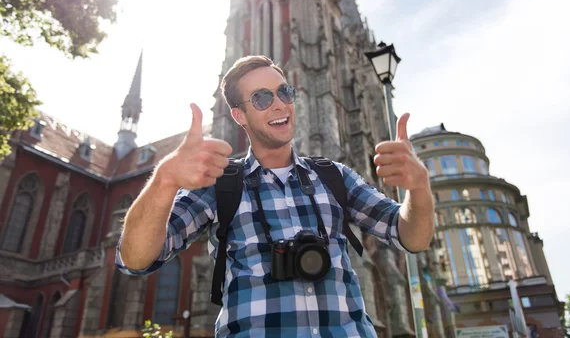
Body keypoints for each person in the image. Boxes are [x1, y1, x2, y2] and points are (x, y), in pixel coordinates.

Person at [116, 55, 435, 337]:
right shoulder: (219, 185)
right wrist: (165, 180)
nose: (279, 103)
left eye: (285, 92)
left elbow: (411, 237)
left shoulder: (334, 176)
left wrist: (418, 188)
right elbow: (135, 259)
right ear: (239, 115)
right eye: (261, 98)